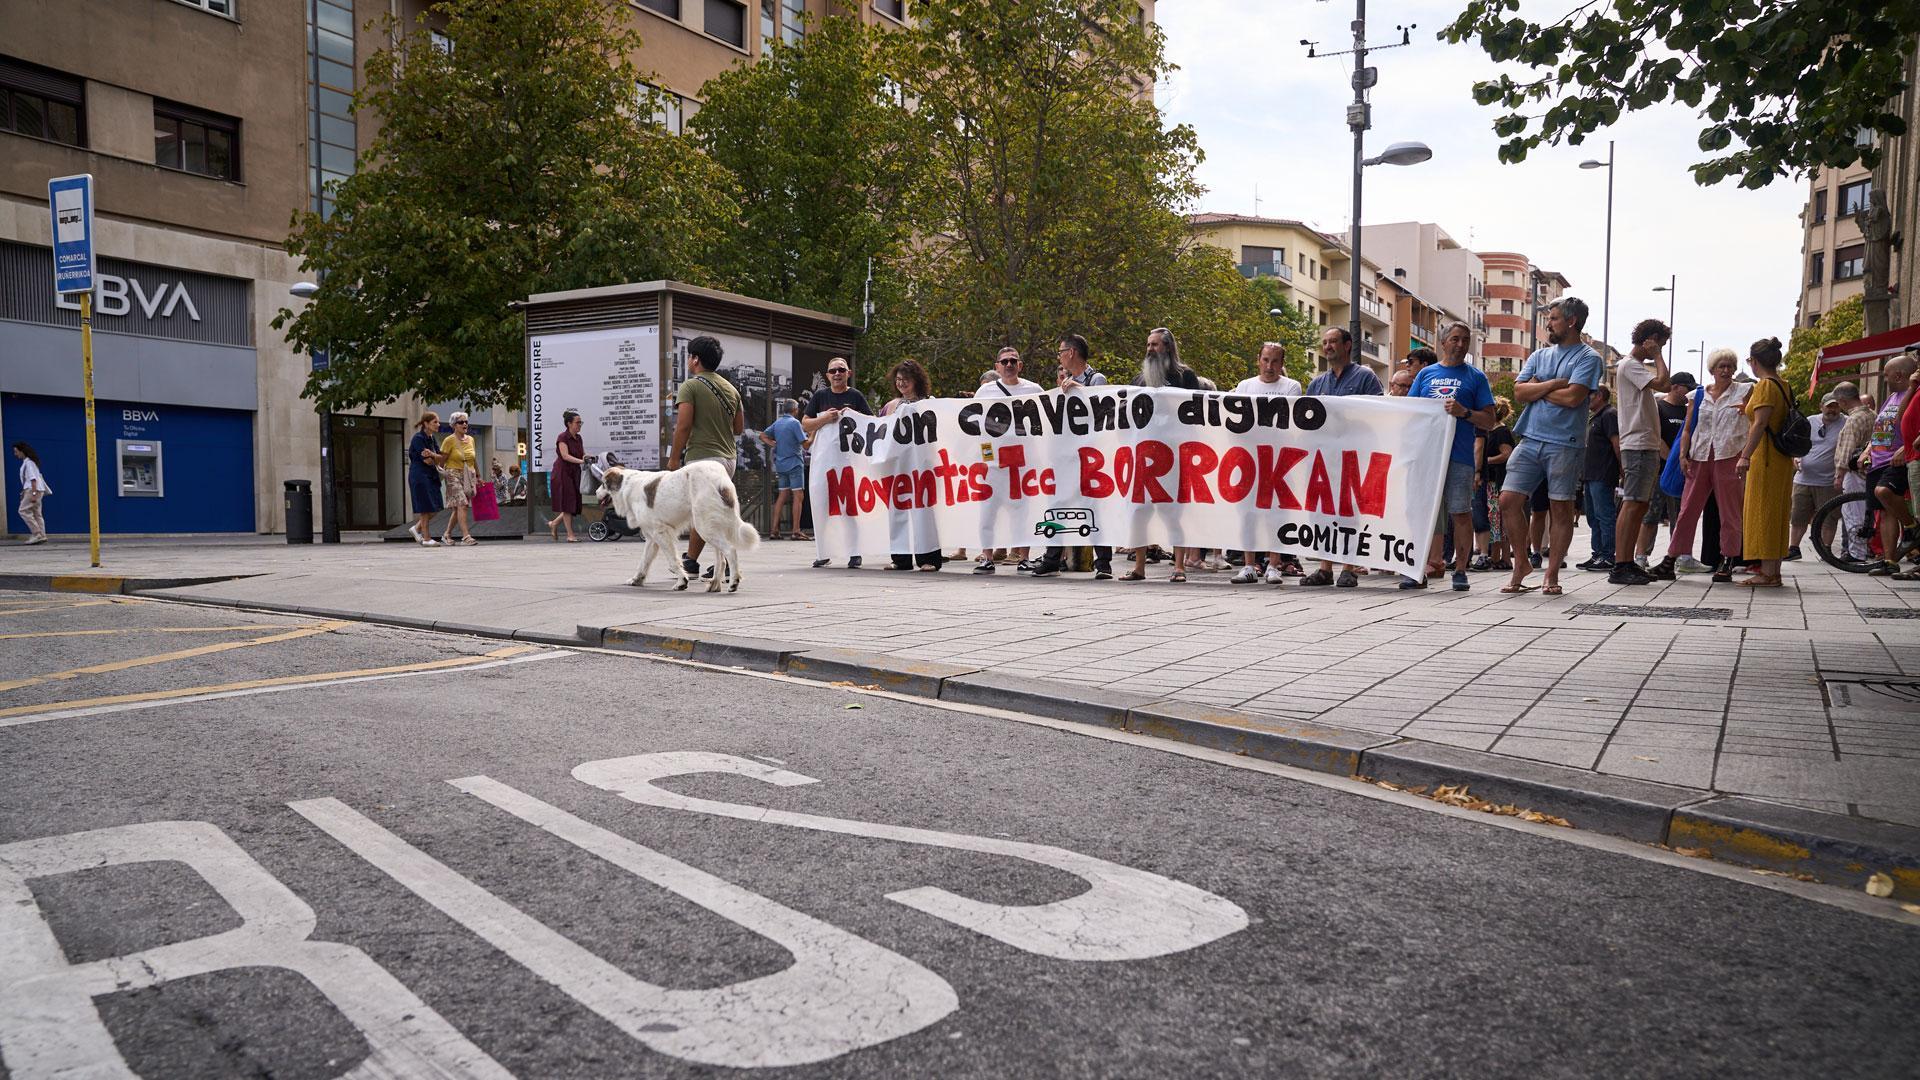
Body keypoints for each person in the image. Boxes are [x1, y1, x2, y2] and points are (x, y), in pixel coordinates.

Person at [1498, 297, 1604, 596]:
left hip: (1565, 444)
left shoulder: (1588, 357)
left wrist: (1538, 388)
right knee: (1508, 500)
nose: (1548, 323)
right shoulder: (1538, 355)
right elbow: (1519, 392)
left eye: (1554, 318)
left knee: (1561, 508)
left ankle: (1552, 574)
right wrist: (1555, 383)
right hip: (1530, 438)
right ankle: (1522, 563)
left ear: (1571, 322)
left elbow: (1574, 398)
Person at [1407, 322, 1496, 591]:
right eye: (1455, 339)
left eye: (1465, 340)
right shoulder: (1425, 375)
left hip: (1459, 456)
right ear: (1443, 343)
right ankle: (1415, 568)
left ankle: (1460, 570)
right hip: (1426, 456)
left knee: (1460, 512)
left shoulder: (1476, 377)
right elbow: (1409, 412)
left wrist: (1465, 413)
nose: (1460, 344)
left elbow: (1490, 420)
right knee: (1421, 512)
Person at [1652, 349, 1749, 582]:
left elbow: (1754, 422)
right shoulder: (1697, 395)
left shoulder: (1745, 391)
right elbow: (1687, 428)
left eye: (1729, 366)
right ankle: (1671, 559)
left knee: (1730, 512)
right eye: (1721, 366)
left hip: (1729, 456)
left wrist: (1746, 455)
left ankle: (1727, 559)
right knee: (1687, 511)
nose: (1725, 370)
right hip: (1699, 456)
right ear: (1712, 370)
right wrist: (1683, 456)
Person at [1300, 327, 1385, 588]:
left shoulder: (1365, 377)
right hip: (1323, 457)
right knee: (1323, 510)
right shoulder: (1317, 383)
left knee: (1349, 511)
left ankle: (1349, 567)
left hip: (1353, 455)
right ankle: (1325, 568)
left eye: (1333, 341)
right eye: (1324, 342)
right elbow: (1306, 420)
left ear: (1347, 345)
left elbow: (1379, 412)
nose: (1327, 347)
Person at [1033, 334, 1114, 580]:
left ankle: (1104, 563)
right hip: (1068, 456)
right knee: (1059, 504)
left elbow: (1102, 406)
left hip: (1091, 456)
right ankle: (1051, 559)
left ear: (1071, 352)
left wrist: (1078, 389)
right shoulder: (1065, 381)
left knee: (1094, 507)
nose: (1059, 357)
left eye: (1060, 352)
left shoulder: (1095, 378)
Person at [1127, 328, 1200, 582]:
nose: (1150, 349)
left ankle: (1179, 566)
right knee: (1139, 512)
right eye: (1148, 344)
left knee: (1174, 512)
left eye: (1155, 345)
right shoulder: (1138, 381)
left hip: (1175, 456)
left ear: (1167, 347)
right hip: (1145, 457)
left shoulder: (1185, 376)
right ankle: (1138, 567)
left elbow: (1195, 414)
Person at [671, 335, 745, 577]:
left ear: (695, 359)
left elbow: (683, 426)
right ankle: (701, 561)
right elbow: (738, 428)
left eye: (690, 356)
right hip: (728, 460)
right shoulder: (731, 389)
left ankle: (693, 563)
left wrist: (673, 459)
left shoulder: (690, 386)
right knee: (714, 511)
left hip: (703, 458)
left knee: (701, 512)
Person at [1230, 342, 1303, 584]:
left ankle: (1274, 564)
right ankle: (1249, 564)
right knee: (1247, 513)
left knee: (1277, 514)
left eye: (1274, 361)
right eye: (1265, 360)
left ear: (1282, 364)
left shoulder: (1292, 387)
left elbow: (1289, 424)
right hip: (1249, 459)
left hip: (1279, 461)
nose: (1269, 366)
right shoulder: (1244, 386)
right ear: (1258, 360)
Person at [1605, 319, 1672, 584]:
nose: (1662, 348)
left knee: (1639, 503)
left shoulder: (1631, 366)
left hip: (1645, 443)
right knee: (1633, 503)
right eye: (1661, 343)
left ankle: (1627, 562)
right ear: (1651, 338)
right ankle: (1621, 564)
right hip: (1637, 442)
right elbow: (1664, 383)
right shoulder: (1630, 365)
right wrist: (1657, 355)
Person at [1732, 336, 1796, 586]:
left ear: (1755, 361)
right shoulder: (1783, 384)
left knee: (1764, 511)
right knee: (1776, 511)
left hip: (1766, 458)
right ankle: (1773, 570)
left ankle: (1768, 573)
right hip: (1780, 459)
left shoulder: (1765, 386)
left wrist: (1744, 455)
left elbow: (1760, 423)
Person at [974, 347, 1042, 574]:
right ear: (997, 367)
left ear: (1020, 365)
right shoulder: (984, 392)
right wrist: (981, 457)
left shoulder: (1034, 389)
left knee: (1022, 512)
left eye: (1013, 361)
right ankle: (987, 557)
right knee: (987, 512)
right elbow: (975, 427)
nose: (1009, 365)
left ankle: (1023, 557)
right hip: (993, 463)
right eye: (1004, 362)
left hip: (1022, 464)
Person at [804, 356, 872, 569]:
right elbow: (806, 424)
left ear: (848, 373)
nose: (837, 374)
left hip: (848, 461)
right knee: (821, 503)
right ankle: (823, 552)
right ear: (827, 375)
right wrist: (825, 419)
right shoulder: (820, 396)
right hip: (824, 461)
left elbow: (869, 423)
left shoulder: (856, 396)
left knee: (849, 507)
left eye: (841, 370)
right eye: (833, 371)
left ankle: (854, 552)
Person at [880, 360, 944, 571]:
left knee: (923, 510)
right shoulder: (891, 406)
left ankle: (929, 559)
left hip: (923, 464)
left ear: (916, 380)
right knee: (898, 509)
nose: (901, 384)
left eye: (905, 380)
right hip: (898, 466)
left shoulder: (929, 403)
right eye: (898, 380)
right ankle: (901, 559)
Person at [1860, 353, 1917, 575]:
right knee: (1885, 512)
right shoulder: (1890, 398)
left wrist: (1905, 448)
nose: (1885, 380)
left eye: (1887, 375)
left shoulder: (1913, 395)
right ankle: (1890, 560)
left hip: (1897, 458)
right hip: (1878, 460)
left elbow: (1913, 427)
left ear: (1900, 375)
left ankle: (1912, 529)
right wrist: (1867, 451)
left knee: (1884, 492)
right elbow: (1880, 427)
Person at [1637, 370, 1695, 568]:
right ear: (1675, 387)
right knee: (1651, 514)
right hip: (1659, 470)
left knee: (1679, 516)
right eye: (1687, 390)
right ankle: (1641, 555)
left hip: (1681, 472)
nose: (1689, 396)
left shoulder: (1688, 410)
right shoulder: (1659, 408)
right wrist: (1673, 460)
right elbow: (1656, 437)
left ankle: (1677, 556)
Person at [1787, 393, 1844, 561]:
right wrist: (1795, 458)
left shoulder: (1846, 423)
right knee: (1798, 516)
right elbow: (1795, 443)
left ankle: (1825, 550)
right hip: (1803, 479)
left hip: (1828, 481)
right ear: (1821, 406)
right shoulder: (1810, 421)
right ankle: (1794, 548)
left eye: (1835, 406)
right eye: (1829, 406)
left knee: (1829, 517)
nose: (1832, 410)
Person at [1831, 382, 1877, 565]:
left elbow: (1847, 450)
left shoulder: (1854, 419)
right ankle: (1862, 548)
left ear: (1843, 401)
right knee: (1865, 512)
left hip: (1854, 471)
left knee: (1852, 512)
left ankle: (1856, 552)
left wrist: (1839, 474)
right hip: (1869, 469)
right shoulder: (1872, 415)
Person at [1576, 386, 1620, 572]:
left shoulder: (1609, 414)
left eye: (1589, 396)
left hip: (1603, 473)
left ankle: (1608, 556)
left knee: (1605, 515)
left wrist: (1622, 468)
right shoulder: (1595, 417)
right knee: (1593, 517)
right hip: (1591, 474)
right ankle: (1597, 554)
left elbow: (1616, 443)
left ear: (1600, 396)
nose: (1586, 400)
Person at [1472, 399, 1516, 571]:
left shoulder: (1501, 432)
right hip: (1492, 480)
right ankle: (1497, 556)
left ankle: (1503, 557)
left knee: (1498, 520)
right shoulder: (1490, 430)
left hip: (1497, 481)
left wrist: (1486, 460)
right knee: (1495, 521)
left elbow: (1507, 454)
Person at [760, 398, 810, 541]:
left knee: (782, 496)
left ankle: (774, 530)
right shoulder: (795, 423)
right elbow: (805, 445)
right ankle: (796, 531)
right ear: (795, 410)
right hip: (794, 464)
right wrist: (814, 435)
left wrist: (773, 444)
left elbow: (762, 435)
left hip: (781, 465)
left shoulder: (778, 423)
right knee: (798, 497)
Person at [438, 411, 480, 546]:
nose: (465, 424)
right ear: (454, 425)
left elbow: (473, 459)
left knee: (458, 508)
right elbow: (441, 461)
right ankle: (466, 536)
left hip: (468, 476)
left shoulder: (471, 440)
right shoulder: (449, 440)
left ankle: (446, 534)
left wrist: (478, 476)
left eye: (466, 422)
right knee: (463, 504)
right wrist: (440, 477)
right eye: (461, 422)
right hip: (453, 474)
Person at [403, 413, 444, 546]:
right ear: (426, 424)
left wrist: (432, 455)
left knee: (436, 506)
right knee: (425, 507)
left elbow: (439, 457)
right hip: (420, 476)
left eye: (438, 422)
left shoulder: (432, 439)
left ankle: (416, 528)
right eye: (435, 422)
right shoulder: (418, 438)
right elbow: (427, 461)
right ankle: (426, 538)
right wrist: (434, 457)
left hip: (431, 475)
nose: (438, 424)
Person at [547, 408, 586, 542]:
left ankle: (554, 524)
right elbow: (565, 455)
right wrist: (581, 461)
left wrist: (588, 458)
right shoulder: (562, 437)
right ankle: (570, 535)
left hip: (574, 472)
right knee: (568, 503)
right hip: (562, 472)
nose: (580, 425)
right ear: (569, 423)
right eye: (578, 422)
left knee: (572, 503)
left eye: (581, 422)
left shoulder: (579, 438)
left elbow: (582, 454)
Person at [12, 441, 49, 545]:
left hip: (33, 489)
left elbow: (33, 479)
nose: (15, 454)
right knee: (37, 514)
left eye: (16, 451)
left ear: (22, 451)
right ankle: (42, 535)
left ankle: (37, 534)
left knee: (22, 510)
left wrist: (33, 494)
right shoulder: (30, 462)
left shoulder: (28, 463)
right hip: (37, 490)